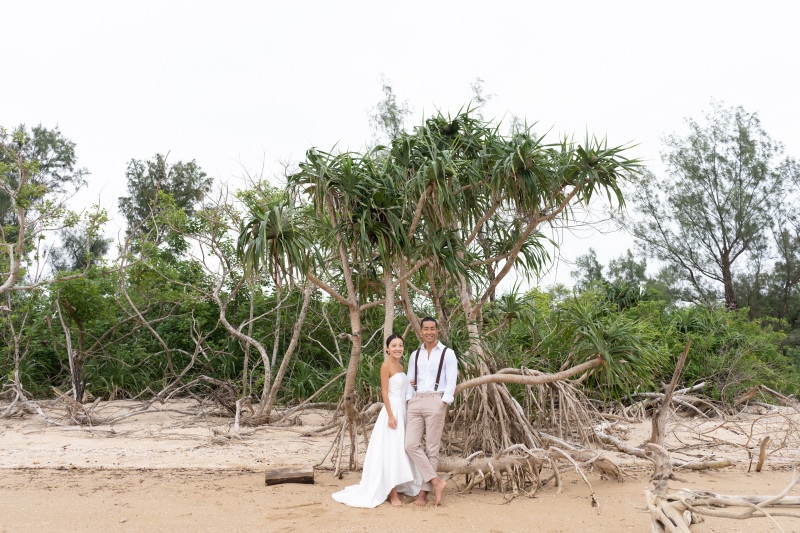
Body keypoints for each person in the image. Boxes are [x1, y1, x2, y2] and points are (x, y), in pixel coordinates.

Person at [331, 334, 422, 508]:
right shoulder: (386, 365)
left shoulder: (401, 366)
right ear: (387, 349)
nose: (397, 348)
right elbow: (385, 392)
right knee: (391, 451)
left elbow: (404, 388)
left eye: (400, 345)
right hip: (392, 410)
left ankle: (400, 484)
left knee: (401, 450)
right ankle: (392, 493)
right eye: (394, 345)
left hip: (403, 409)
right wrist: (390, 415)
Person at [405, 317, 457, 507]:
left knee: (432, 449)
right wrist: (409, 399)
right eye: (425, 329)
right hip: (416, 400)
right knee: (410, 444)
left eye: (432, 329)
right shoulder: (415, 354)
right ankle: (436, 481)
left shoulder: (447, 353)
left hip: (436, 400)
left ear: (437, 331)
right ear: (421, 331)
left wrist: (443, 402)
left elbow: (451, 379)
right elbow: (410, 378)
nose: (429, 332)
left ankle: (423, 494)